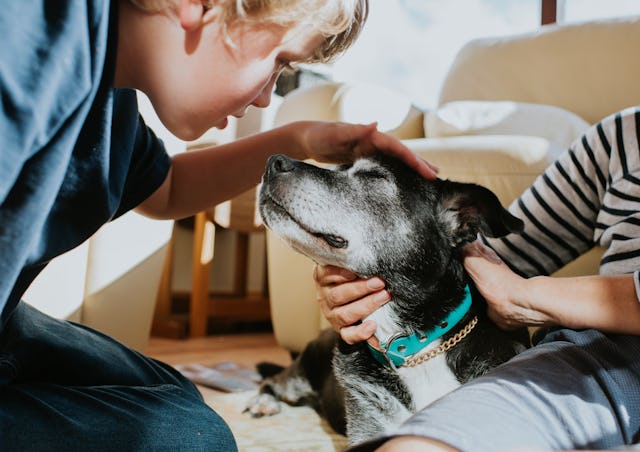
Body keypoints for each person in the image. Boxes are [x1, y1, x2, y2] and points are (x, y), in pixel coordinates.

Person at [0, 1, 439, 450]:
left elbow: (166, 189)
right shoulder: (24, 47)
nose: (268, 96)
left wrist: (301, 138)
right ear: (200, 5)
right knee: (192, 439)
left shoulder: (112, 100)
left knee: (168, 394)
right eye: (279, 62)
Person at [314, 106, 640, 451]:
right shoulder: (622, 137)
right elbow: (491, 253)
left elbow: (511, 289)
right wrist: (357, 277)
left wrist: (525, 296)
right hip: (603, 363)